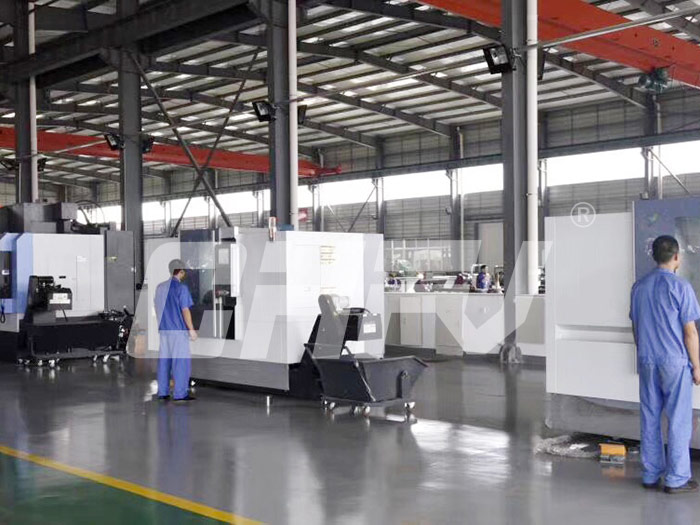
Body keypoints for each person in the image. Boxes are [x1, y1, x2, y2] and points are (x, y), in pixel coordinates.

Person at [630, 235, 700, 494]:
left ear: (654, 256)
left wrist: (644, 353)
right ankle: (677, 478)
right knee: (678, 419)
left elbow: (636, 327)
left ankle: (650, 474)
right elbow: (690, 332)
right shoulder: (681, 287)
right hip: (674, 362)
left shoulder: (639, 287)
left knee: (650, 416)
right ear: (677, 257)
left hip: (647, 360)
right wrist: (697, 366)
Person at [154, 259, 198, 403]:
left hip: (164, 330)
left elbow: (157, 308)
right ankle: (180, 394)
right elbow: (185, 310)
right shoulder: (181, 288)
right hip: (178, 331)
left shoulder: (160, 288)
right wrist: (191, 329)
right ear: (181, 272)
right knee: (180, 362)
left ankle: (163, 392)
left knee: (164, 362)